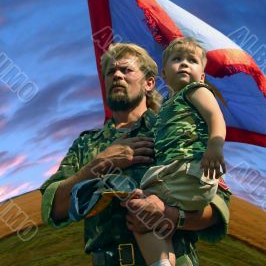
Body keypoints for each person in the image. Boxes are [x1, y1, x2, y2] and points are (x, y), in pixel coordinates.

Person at [40, 43, 231, 266]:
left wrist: (171, 216)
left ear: (150, 83)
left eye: (126, 70)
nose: (117, 76)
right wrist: (99, 164)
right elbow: (53, 207)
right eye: (110, 72)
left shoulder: (175, 126)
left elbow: (218, 206)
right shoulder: (86, 144)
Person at [133, 38, 226, 266]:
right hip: (174, 173)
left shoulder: (196, 91)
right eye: (177, 59)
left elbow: (215, 117)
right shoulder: (166, 107)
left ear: (202, 76)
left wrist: (214, 145)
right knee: (150, 221)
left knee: (139, 209)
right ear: (164, 74)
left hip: (188, 170)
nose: (184, 64)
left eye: (192, 60)